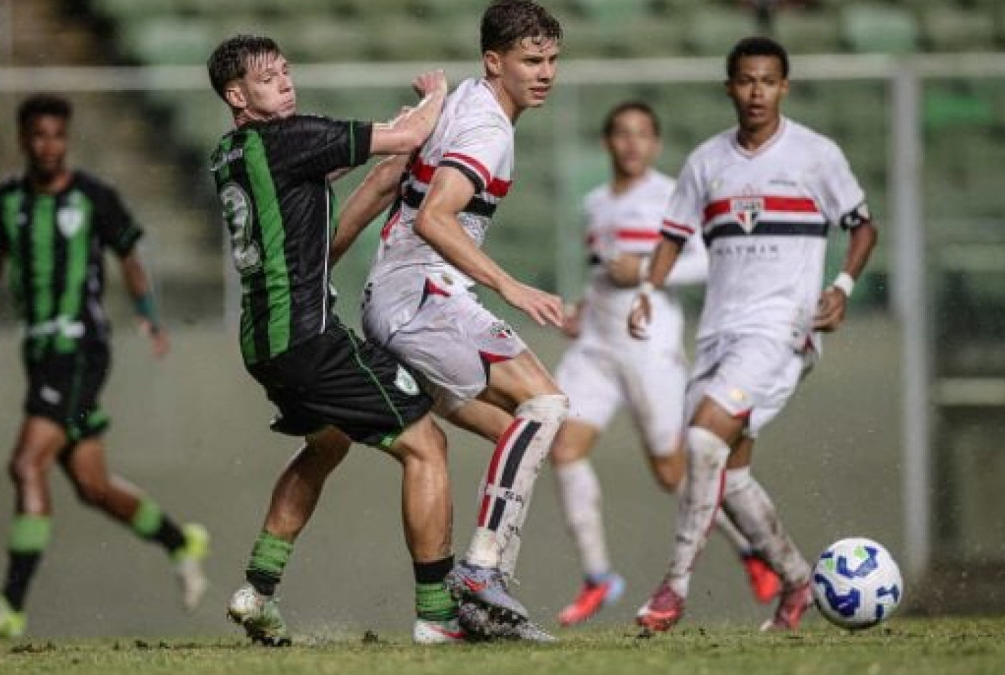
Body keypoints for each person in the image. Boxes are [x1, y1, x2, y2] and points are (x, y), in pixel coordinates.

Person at [204, 34, 468, 646]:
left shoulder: (230, 152)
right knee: (426, 445)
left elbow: (354, 161)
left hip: (263, 343)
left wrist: (396, 143)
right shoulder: (288, 140)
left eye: (287, 71)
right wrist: (437, 94)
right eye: (269, 79)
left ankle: (257, 590)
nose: (286, 83)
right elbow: (403, 140)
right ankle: (436, 616)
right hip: (309, 335)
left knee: (325, 445)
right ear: (237, 95)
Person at [0, 94, 209, 639]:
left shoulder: (94, 196)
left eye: (56, 135)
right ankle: (180, 542)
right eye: (38, 135)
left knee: (26, 465)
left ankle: (11, 604)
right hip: (40, 351)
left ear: (66, 138)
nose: (47, 145)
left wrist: (146, 314)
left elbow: (130, 257)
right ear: (23, 138)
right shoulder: (6, 200)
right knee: (91, 484)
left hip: (80, 348)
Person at [629, 36, 878, 633]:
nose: (757, 91)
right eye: (745, 80)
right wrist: (646, 290)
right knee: (726, 472)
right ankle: (796, 582)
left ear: (784, 86)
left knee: (703, 439)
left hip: (781, 330)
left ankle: (674, 586)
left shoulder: (816, 155)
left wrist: (841, 285)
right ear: (730, 87)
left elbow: (863, 227)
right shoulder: (707, 162)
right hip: (720, 333)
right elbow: (670, 236)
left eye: (768, 80)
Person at [359, 0, 567, 636]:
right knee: (547, 408)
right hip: (424, 295)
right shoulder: (488, 130)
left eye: (553, 60)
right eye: (532, 61)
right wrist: (508, 284)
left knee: (519, 435)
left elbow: (382, 185)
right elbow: (434, 217)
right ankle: (482, 572)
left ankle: (451, 618)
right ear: (494, 61)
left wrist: (322, 269)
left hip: (391, 297)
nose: (547, 73)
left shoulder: (462, 104)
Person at [549, 100, 781, 628]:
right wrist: (583, 308)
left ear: (655, 144)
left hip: (649, 343)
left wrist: (649, 271)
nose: (632, 144)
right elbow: (603, 269)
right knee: (562, 447)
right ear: (608, 142)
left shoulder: (672, 196)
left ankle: (751, 548)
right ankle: (597, 576)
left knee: (671, 470)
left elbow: (708, 261)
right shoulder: (595, 203)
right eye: (622, 134)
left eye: (642, 135)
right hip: (596, 347)